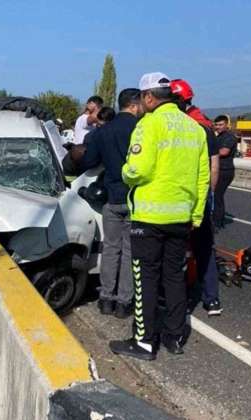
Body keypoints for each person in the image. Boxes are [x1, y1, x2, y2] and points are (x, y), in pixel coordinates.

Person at [109, 72, 209, 361]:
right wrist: (196, 215)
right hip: (181, 218)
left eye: (142, 98)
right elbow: (202, 178)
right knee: (175, 279)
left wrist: (125, 173)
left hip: (150, 218)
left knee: (145, 280)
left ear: (149, 97)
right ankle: (175, 337)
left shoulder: (148, 124)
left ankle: (143, 342)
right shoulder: (195, 129)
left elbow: (138, 169)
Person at [78, 89, 143, 319]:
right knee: (130, 252)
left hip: (112, 198)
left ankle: (106, 298)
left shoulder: (103, 132)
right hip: (137, 201)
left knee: (110, 249)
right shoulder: (142, 130)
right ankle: (124, 303)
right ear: (135, 105)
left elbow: (89, 161)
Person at [171, 79, 222, 315]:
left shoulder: (177, 125)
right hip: (201, 198)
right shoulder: (205, 127)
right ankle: (212, 299)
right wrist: (208, 197)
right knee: (205, 247)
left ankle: (174, 299)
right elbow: (214, 167)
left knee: (175, 248)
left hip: (178, 197)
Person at [213, 114, 238, 229]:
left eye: (221, 124)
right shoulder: (218, 137)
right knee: (214, 196)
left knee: (217, 196)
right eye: (216, 125)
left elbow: (224, 152)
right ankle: (216, 220)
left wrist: (209, 153)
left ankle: (218, 223)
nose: (218, 127)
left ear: (227, 125)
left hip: (225, 171)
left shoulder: (230, 137)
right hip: (217, 169)